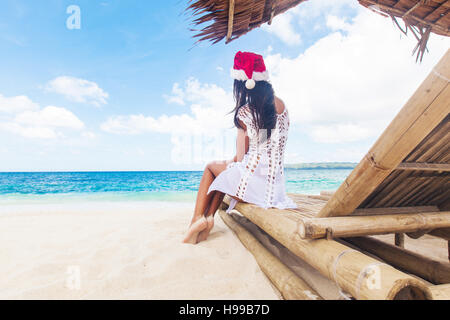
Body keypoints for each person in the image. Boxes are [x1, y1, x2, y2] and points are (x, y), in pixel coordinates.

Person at [183, 51, 297, 244]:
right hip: (276, 190)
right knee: (228, 172)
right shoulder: (282, 106)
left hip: (253, 188)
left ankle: (197, 219)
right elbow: (263, 146)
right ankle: (209, 218)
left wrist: (228, 163)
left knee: (213, 167)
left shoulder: (245, 112)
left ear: (243, 85)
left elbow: (240, 156)